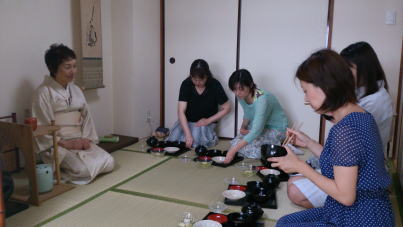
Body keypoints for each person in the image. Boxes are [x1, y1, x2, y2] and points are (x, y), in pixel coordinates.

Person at [271, 49, 393, 226]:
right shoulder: (360, 114)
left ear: (326, 86)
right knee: (285, 221)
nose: (305, 99)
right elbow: (343, 161)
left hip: (359, 217)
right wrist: (309, 142)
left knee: (285, 224)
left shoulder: (345, 129)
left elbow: (345, 196)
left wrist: (301, 167)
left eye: (306, 91)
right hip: (371, 210)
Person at [32, 44, 114, 185]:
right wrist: (65, 143)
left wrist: (86, 139)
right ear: (53, 68)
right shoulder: (43, 93)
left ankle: (63, 170)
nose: (73, 71)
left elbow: (87, 118)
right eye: (67, 67)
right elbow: (41, 126)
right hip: (58, 144)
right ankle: (59, 172)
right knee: (83, 171)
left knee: (109, 162)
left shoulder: (76, 89)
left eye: (74, 66)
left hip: (80, 140)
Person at [224, 69, 288, 163]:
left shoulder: (261, 99)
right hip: (260, 127)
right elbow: (247, 112)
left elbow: (256, 131)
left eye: (241, 89)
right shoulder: (241, 96)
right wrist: (243, 127)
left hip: (276, 128)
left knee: (248, 149)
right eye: (234, 89)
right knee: (235, 143)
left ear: (250, 85)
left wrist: (233, 151)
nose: (237, 93)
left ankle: (281, 144)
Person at [166, 59, 230, 148]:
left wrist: (208, 120)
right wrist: (188, 134)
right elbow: (181, 111)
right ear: (190, 76)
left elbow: (227, 107)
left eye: (201, 80)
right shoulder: (186, 84)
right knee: (174, 142)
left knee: (195, 143)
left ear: (207, 76)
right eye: (194, 79)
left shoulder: (214, 84)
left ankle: (211, 137)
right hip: (187, 121)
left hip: (205, 123)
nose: (197, 83)